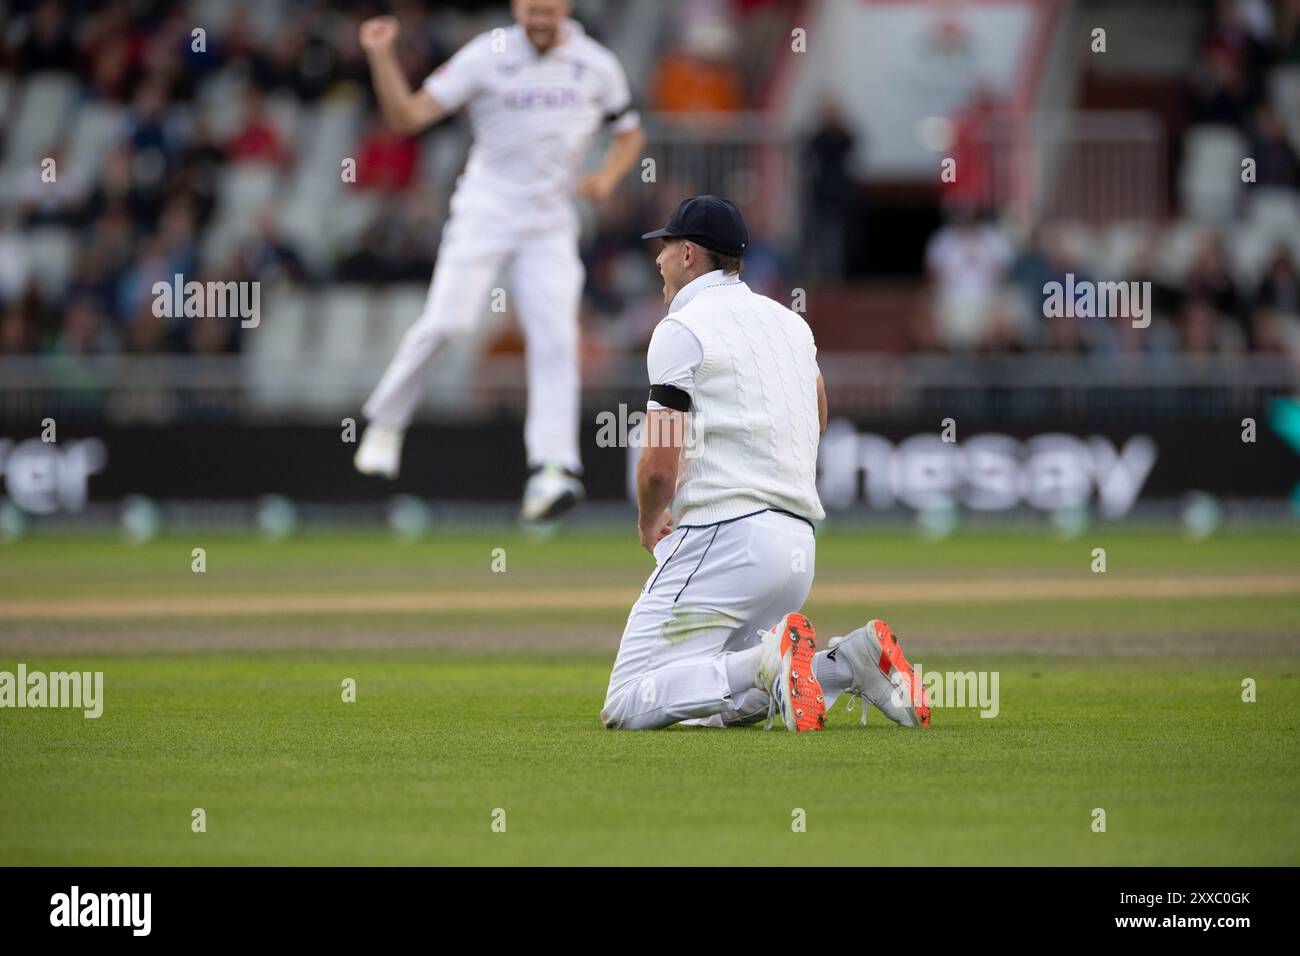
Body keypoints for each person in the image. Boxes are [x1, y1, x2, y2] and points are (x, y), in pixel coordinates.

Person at [599, 196, 931, 732]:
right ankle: (849, 665)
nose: (656, 261)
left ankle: (769, 657)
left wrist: (646, 522)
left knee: (628, 702)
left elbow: (659, 463)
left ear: (689, 254)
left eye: (663, 249)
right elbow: (817, 414)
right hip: (796, 547)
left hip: (722, 538)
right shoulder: (789, 323)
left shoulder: (679, 328)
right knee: (726, 707)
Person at [352, 0, 644, 522]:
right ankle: (386, 422)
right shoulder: (486, 55)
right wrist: (381, 55)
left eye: (547, 9)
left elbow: (629, 132)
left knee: (556, 338)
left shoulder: (597, 64)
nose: (538, 19)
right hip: (485, 210)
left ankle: (552, 469)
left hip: (550, 220)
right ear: (515, 6)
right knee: (447, 321)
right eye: (530, 9)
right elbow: (407, 116)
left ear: (566, 7)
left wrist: (607, 177)